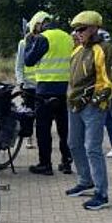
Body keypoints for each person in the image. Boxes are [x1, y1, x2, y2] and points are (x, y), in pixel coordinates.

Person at [64, 11, 112, 211]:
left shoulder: (104, 49)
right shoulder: (76, 51)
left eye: (82, 29)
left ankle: (101, 193)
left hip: (92, 107)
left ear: (95, 28)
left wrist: (97, 101)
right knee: (73, 144)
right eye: (76, 29)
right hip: (74, 106)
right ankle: (85, 180)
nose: (78, 33)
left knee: (93, 148)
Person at [23, 11, 72, 175]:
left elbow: (28, 61)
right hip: (64, 88)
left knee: (43, 129)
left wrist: (29, 42)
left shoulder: (43, 38)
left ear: (38, 24)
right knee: (63, 128)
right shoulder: (67, 37)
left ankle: (45, 164)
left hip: (44, 90)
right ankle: (66, 162)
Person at [97, 29, 112, 158]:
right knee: (102, 119)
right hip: (101, 89)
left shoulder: (107, 52)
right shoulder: (105, 50)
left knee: (107, 119)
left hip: (106, 90)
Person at [14, 32, 37, 149]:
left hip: (42, 84)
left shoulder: (44, 42)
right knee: (29, 113)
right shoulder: (23, 43)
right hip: (28, 85)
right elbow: (19, 65)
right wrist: (20, 81)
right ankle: (29, 138)